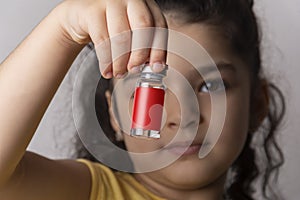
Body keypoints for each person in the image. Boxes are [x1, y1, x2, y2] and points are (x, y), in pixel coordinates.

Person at [0, 0, 285, 199]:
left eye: (210, 86)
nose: (183, 116)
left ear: (257, 103)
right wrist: (63, 28)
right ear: (115, 115)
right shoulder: (89, 192)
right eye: (149, 91)